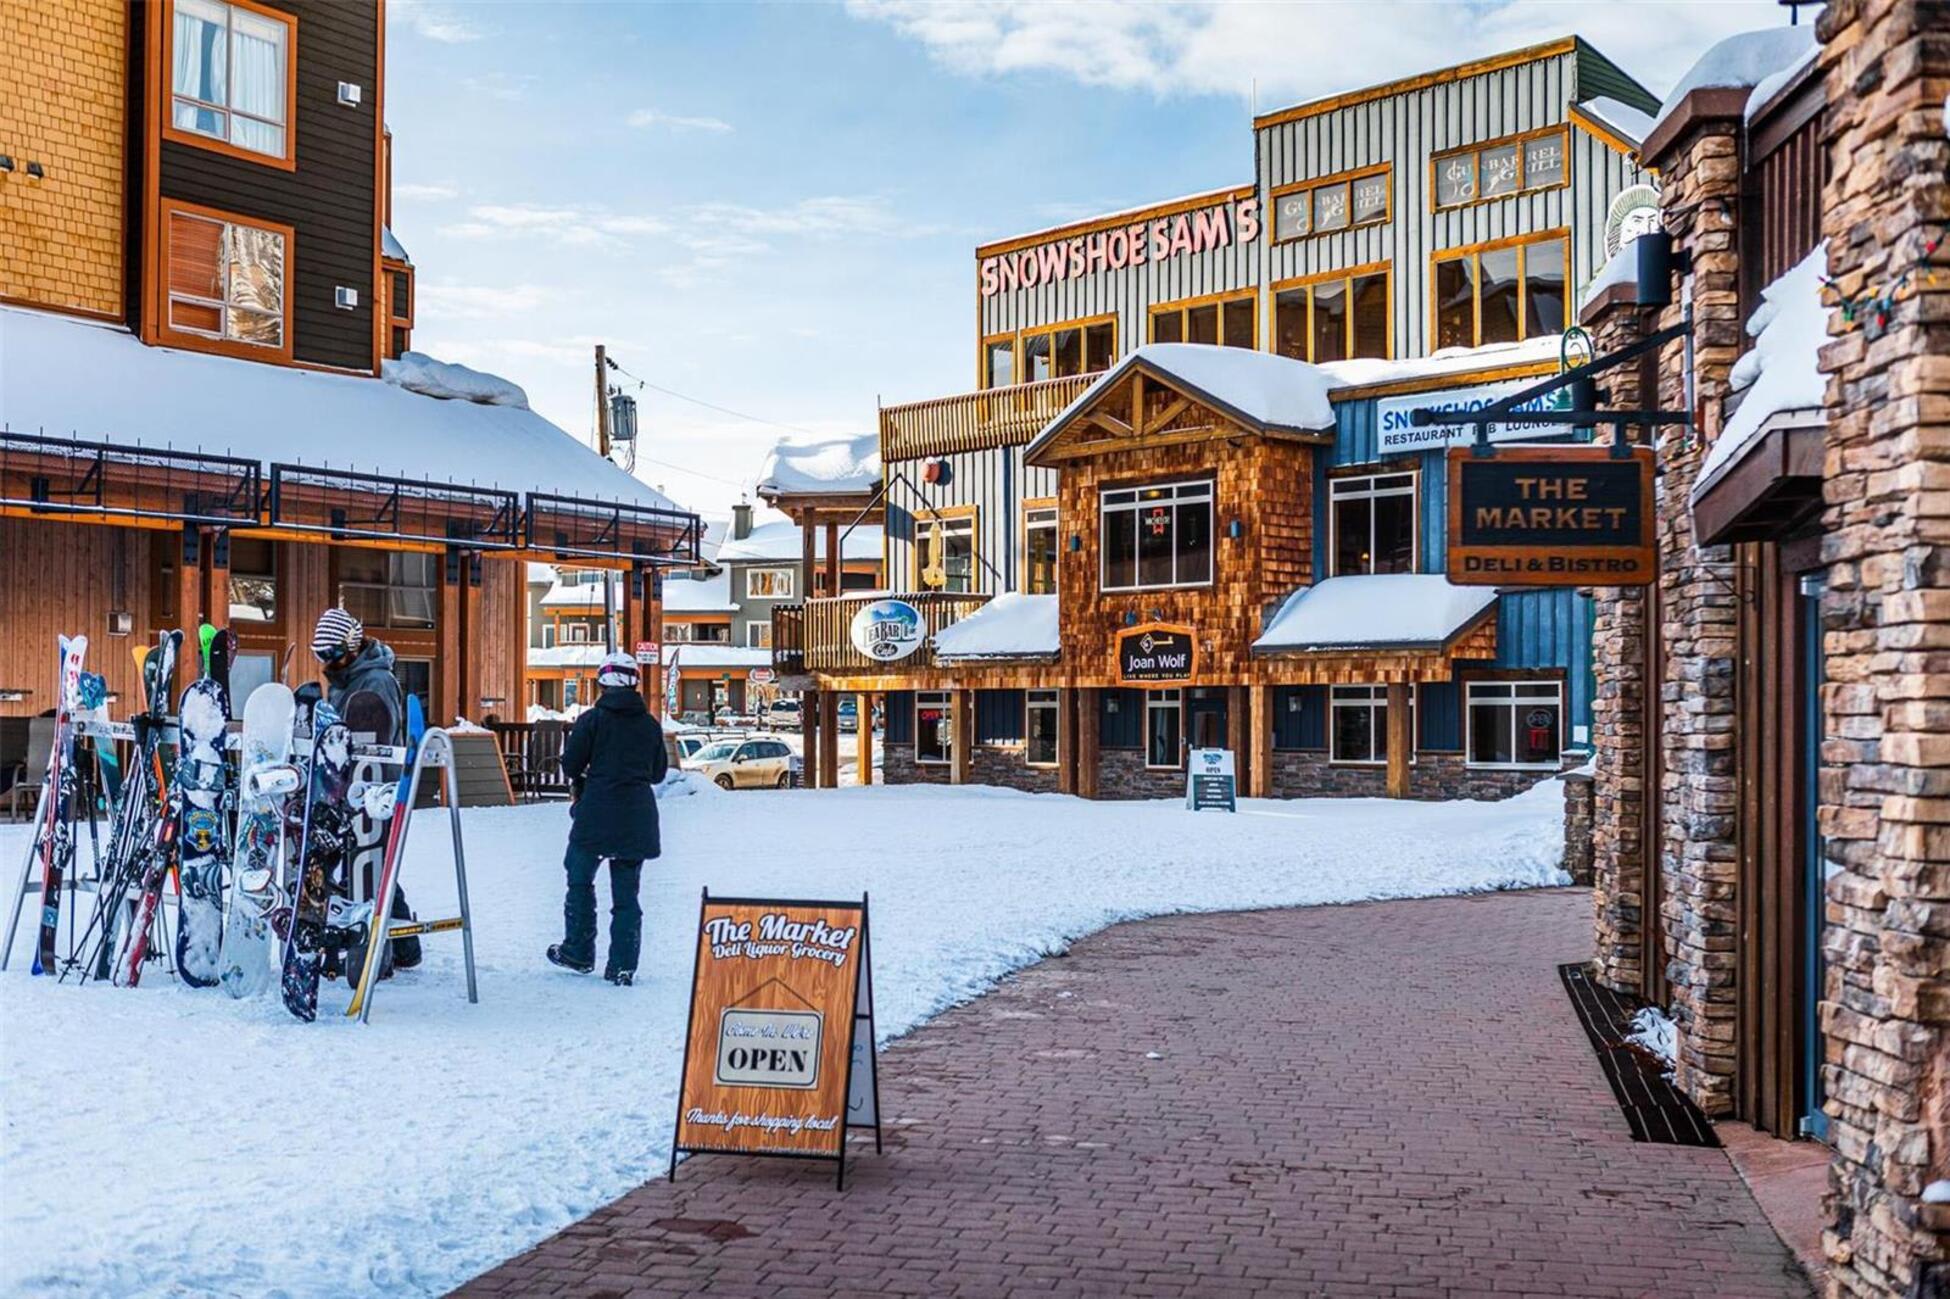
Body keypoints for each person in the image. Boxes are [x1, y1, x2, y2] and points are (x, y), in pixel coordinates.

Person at [310, 607, 420, 971]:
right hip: (346, 785)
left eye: (332, 652)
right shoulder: (346, 681)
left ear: (352, 646)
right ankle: (405, 947)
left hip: (375, 787)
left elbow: (378, 739)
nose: (327, 661)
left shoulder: (375, 682)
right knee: (371, 864)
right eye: (321, 654)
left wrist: (369, 784)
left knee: (368, 862)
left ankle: (379, 950)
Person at [549, 651, 666, 985]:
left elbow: (571, 765)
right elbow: (657, 773)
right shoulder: (649, 725)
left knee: (579, 877)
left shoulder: (592, 720)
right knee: (627, 896)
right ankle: (622, 965)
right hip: (636, 817)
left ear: (602, 683)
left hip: (595, 814)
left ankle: (578, 951)